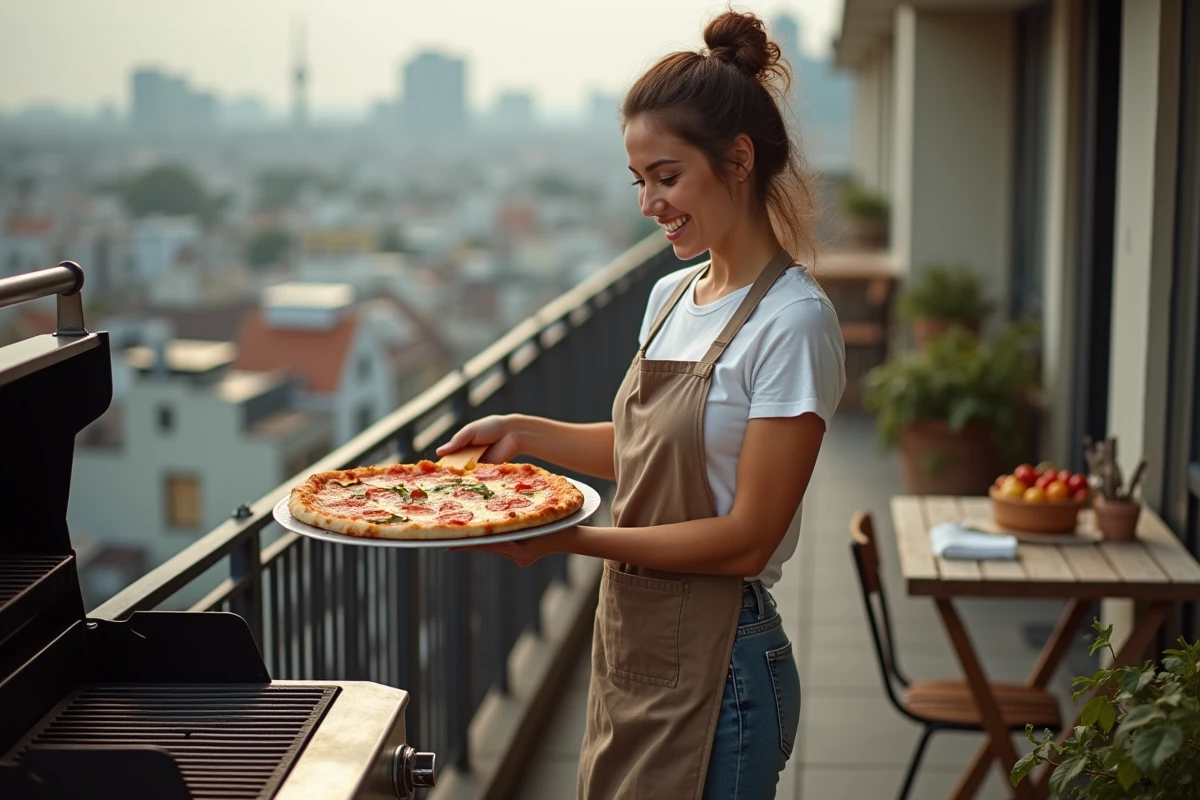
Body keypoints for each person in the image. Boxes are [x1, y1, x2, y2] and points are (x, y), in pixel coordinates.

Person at [437, 10, 846, 799]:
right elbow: (649, 448)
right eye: (639, 181)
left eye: (666, 176)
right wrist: (524, 432)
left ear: (737, 160)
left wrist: (570, 540)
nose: (648, 204)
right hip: (636, 646)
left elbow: (746, 540)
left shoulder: (793, 322)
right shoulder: (670, 295)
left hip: (723, 664)